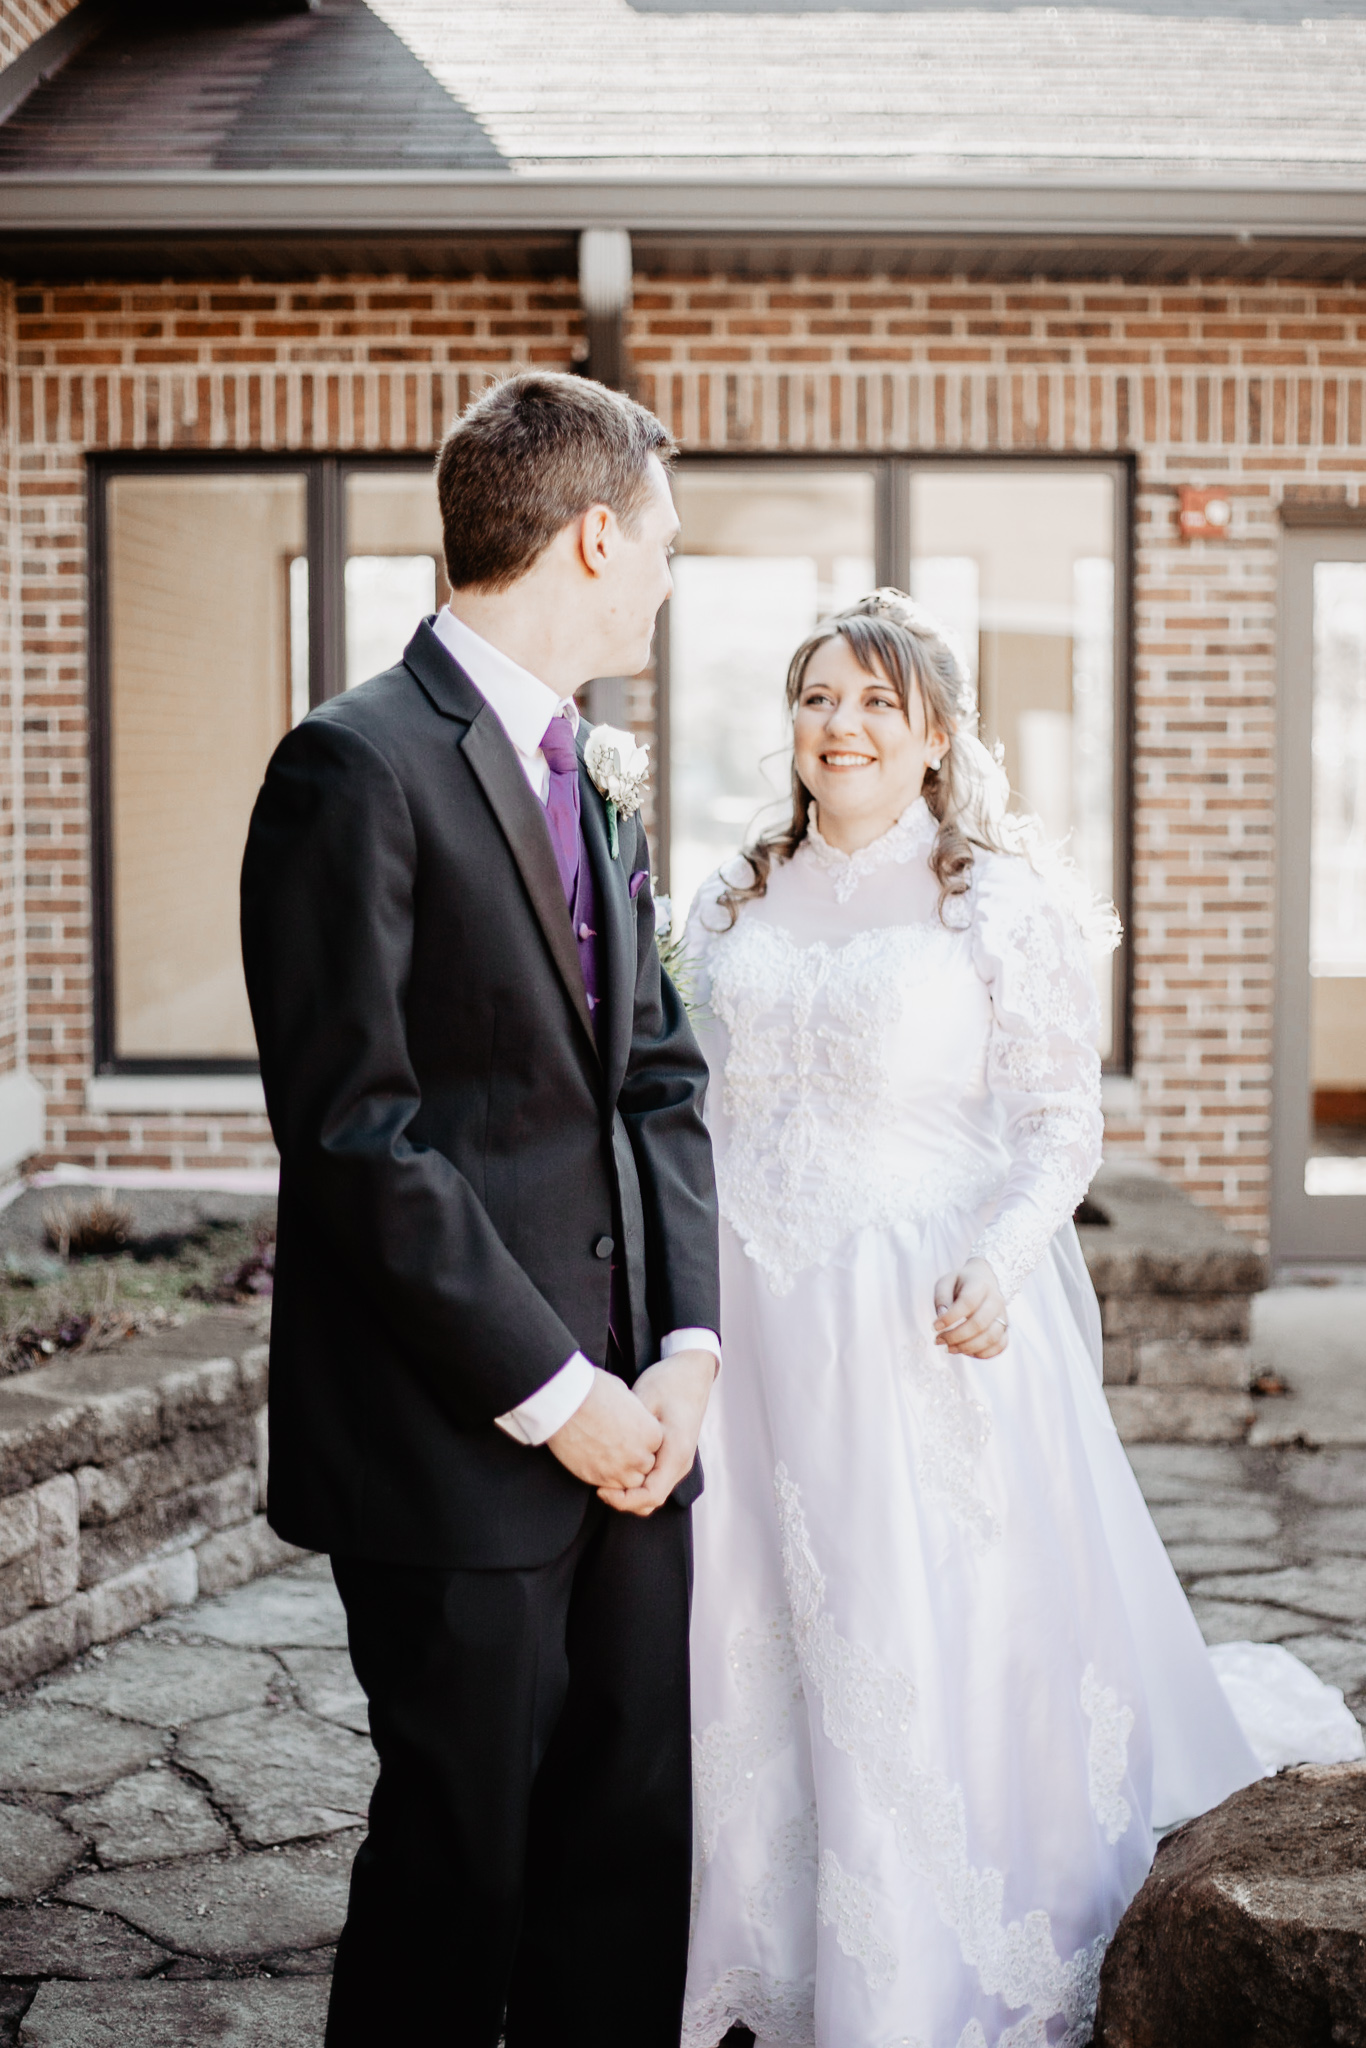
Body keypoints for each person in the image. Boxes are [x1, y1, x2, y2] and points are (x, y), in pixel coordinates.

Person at [679, 590, 1269, 2048]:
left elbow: (1057, 1122)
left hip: (920, 1321)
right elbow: (681, 1102)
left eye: (877, 701)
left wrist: (1001, 1264)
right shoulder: (729, 897)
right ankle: (752, 1943)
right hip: (748, 1313)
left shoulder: (993, 900)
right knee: (743, 1619)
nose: (843, 726)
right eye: (818, 697)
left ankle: (914, 1962)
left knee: (909, 1620)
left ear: (934, 730)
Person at [240, 371, 721, 2048]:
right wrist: (561, 1397)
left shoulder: (593, 778)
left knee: (625, 1856)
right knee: (465, 1877)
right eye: (662, 540)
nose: (669, 571)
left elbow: (655, 1081)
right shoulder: (350, 767)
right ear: (593, 535)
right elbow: (359, 1138)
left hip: (640, 1445)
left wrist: (683, 1353)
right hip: (459, 1442)